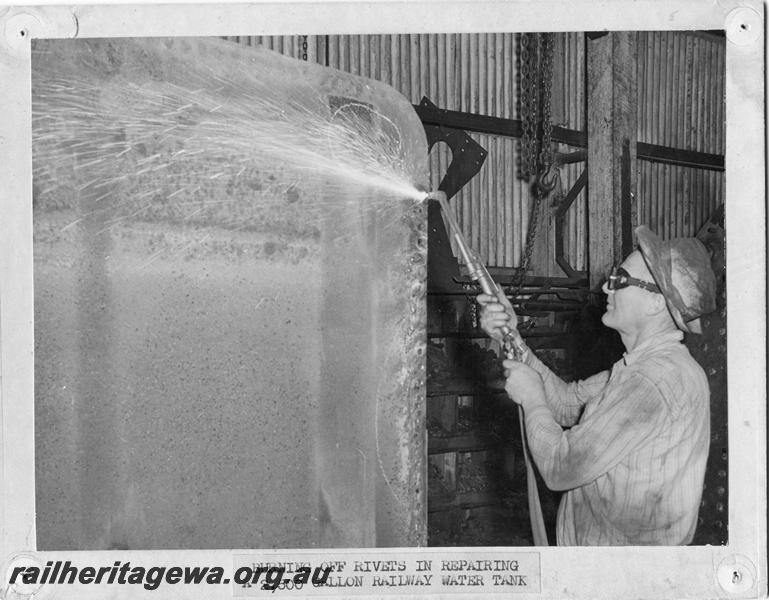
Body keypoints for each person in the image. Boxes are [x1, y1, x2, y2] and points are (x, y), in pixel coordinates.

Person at [478, 225, 717, 545]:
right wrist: (511, 335)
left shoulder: (650, 382)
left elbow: (561, 467)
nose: (607, 287)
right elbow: (565, 403)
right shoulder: (645, 369)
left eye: (620, 280)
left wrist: (533, 400)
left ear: (656, 304)